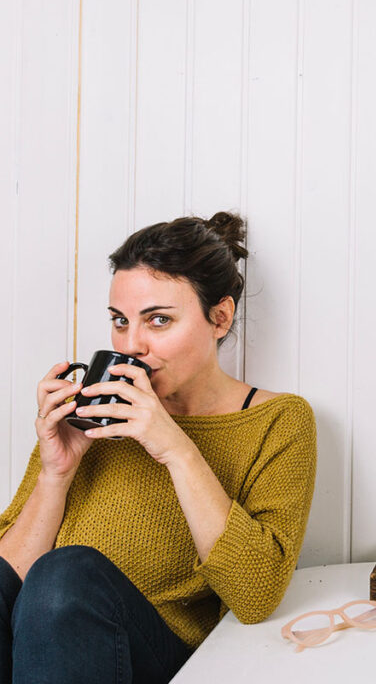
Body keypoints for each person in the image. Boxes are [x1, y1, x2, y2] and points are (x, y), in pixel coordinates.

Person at [0, 213, 317, 684]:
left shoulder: (279, 421)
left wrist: (175, 448)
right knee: (51, 579)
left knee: (66, 575)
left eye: (159, 321)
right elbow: (11, 585)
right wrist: (56, 474)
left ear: (220, 317)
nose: (132, 346)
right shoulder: (92, 413)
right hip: (39, 652)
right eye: (120, 322)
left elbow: (255, 595)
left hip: (154, 655)